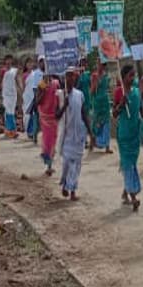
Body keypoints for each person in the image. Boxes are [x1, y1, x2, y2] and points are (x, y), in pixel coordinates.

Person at [113, 63, 143, 210]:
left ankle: (125, 192)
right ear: (123, 77)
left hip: (135, 136)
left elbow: (142, 111)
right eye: (130, 75)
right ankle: (133, 197)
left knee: (131, 164)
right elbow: (114, 114)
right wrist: (121, 104)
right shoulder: (119, 93)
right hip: (124, 136)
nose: (133, 78)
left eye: (134, 75)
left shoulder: (136, 93)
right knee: (129, 166)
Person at [58, 66, 91, 199]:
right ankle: (66, 183)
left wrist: (91, 133)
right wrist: (64, 105)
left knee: (76, 165)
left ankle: (72, 190)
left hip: (79, 136)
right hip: (67, 136)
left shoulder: (80, 94)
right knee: (66, 164)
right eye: (68, 76)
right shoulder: (60, 95)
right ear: (64, 78)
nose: (70, 78)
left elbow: (84, 114)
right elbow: (56, 115)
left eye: (72, 76)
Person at [35, 69, 62, 176]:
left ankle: (50, 163)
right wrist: (44, 90)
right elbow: (37, 101)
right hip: (45, 116)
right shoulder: (41, 84)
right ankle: (48, 164)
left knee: (54, 139)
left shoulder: (56, 83)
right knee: (47, 140)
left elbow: (60, 98)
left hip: (54, 116)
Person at [91, 62, 113, 152]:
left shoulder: (106, 76)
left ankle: (107, 146)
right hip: (97, 102)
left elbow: (108, 88)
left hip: (105, 102)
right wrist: (96, 83)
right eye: (98, 64)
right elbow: (92, 91)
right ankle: (93, 143)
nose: (100, 66)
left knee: (107, 122)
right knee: (96, 122)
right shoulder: (94, 76)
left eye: (102, 64)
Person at [23, 57, 43, 142]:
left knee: (34, 114)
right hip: (27, 96)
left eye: (31, 63)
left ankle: (33, 132)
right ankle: (29, 131)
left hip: (34, 95)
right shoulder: (24, 75)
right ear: (25, 65)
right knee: (28, 115)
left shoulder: (35, 73)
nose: (30, 65)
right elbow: (23, 86)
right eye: (28, 63)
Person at [0, 54, 19, 138]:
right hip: (6, 94)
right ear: (5, 61)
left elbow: (17, 81)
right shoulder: (3, 71)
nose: (8, 62)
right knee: (8, 112)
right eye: (7, 60)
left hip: (13, 94)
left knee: (11, 111)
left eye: (10, 60)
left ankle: (9, 130)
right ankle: (12, 130)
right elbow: (0, 82)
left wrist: (21, 91)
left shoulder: (15, 70)